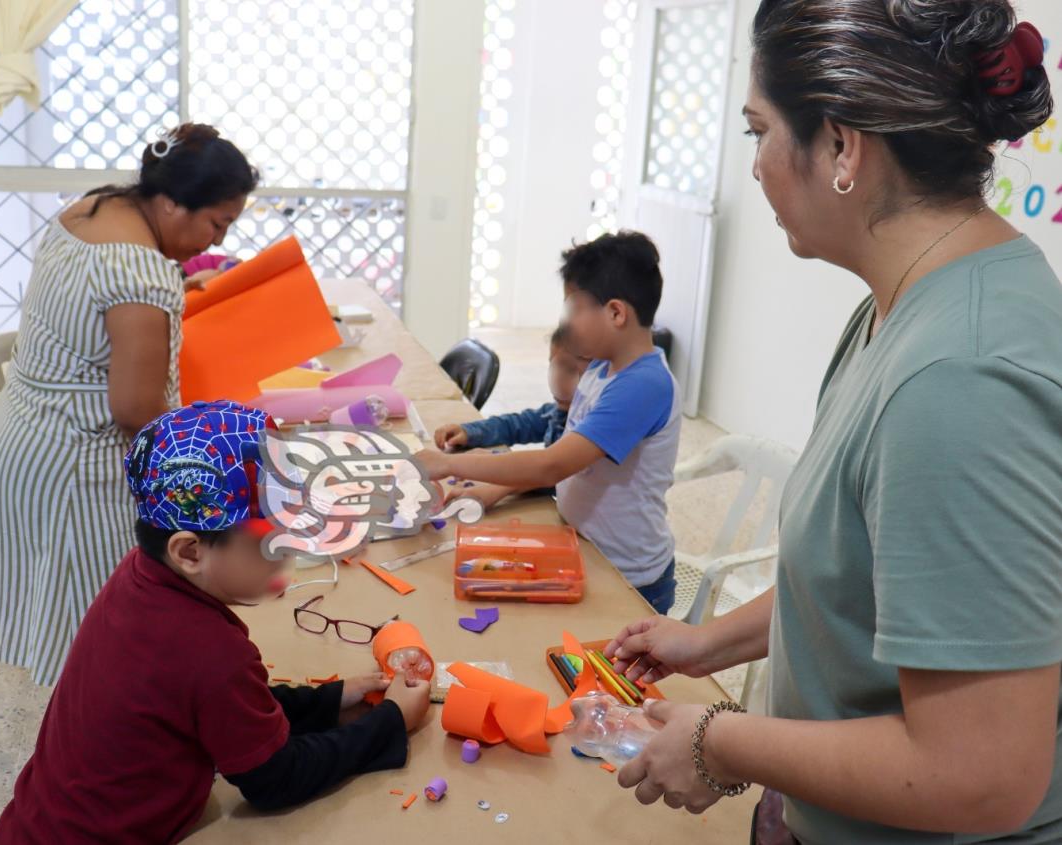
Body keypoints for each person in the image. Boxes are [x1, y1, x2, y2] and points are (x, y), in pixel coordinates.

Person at [604, 2, 1062, 843]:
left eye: (758, 131)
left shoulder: (959, 378)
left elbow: (981, 773)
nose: (753, 168)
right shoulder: (899, 310)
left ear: (841, 145)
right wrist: (708, 644)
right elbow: (868, 583)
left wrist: (719, 741)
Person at [0, 401, 431, 844]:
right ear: (189, 552)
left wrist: (331, 700)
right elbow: (276, 779)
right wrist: (391, 722)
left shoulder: (139, 575)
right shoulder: (209, 651)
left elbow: (215, 706)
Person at [0, 124, 258, 686]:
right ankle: (100, 745)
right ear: (173, 203)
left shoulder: (90, 210)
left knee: (64, 610)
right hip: (76, 463)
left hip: (23, 437)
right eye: (217, 223)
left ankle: (83, 729)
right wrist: (214, 461)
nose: (217, 242)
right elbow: (135, 409)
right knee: (105, 622)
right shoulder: (140, 275)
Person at [418, 232, 682, 613]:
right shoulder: (602, 368)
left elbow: (553, 462)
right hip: (585, 546)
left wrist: (448, 463)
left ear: (615, 313)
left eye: (574, 309)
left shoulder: (643, 386)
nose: (568, 323)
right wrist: (498, 489)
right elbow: (560, 460)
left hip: (628, 577)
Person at [432, 323, 591, 509]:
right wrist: (469, 432)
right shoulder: (558, 411)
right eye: (554, 365)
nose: (557, 379)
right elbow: (517, 424)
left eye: (570, 369)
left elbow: (555, 472)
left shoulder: (592, 429)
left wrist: (501, 487)